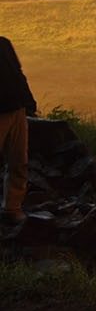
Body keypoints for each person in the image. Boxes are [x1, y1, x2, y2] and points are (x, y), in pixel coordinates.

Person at [0, 36, 37, 226]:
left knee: (19, 161)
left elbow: (18, 73)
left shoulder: (4, 43)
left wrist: (28, 101)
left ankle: (12, 208)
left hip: (17, 109)